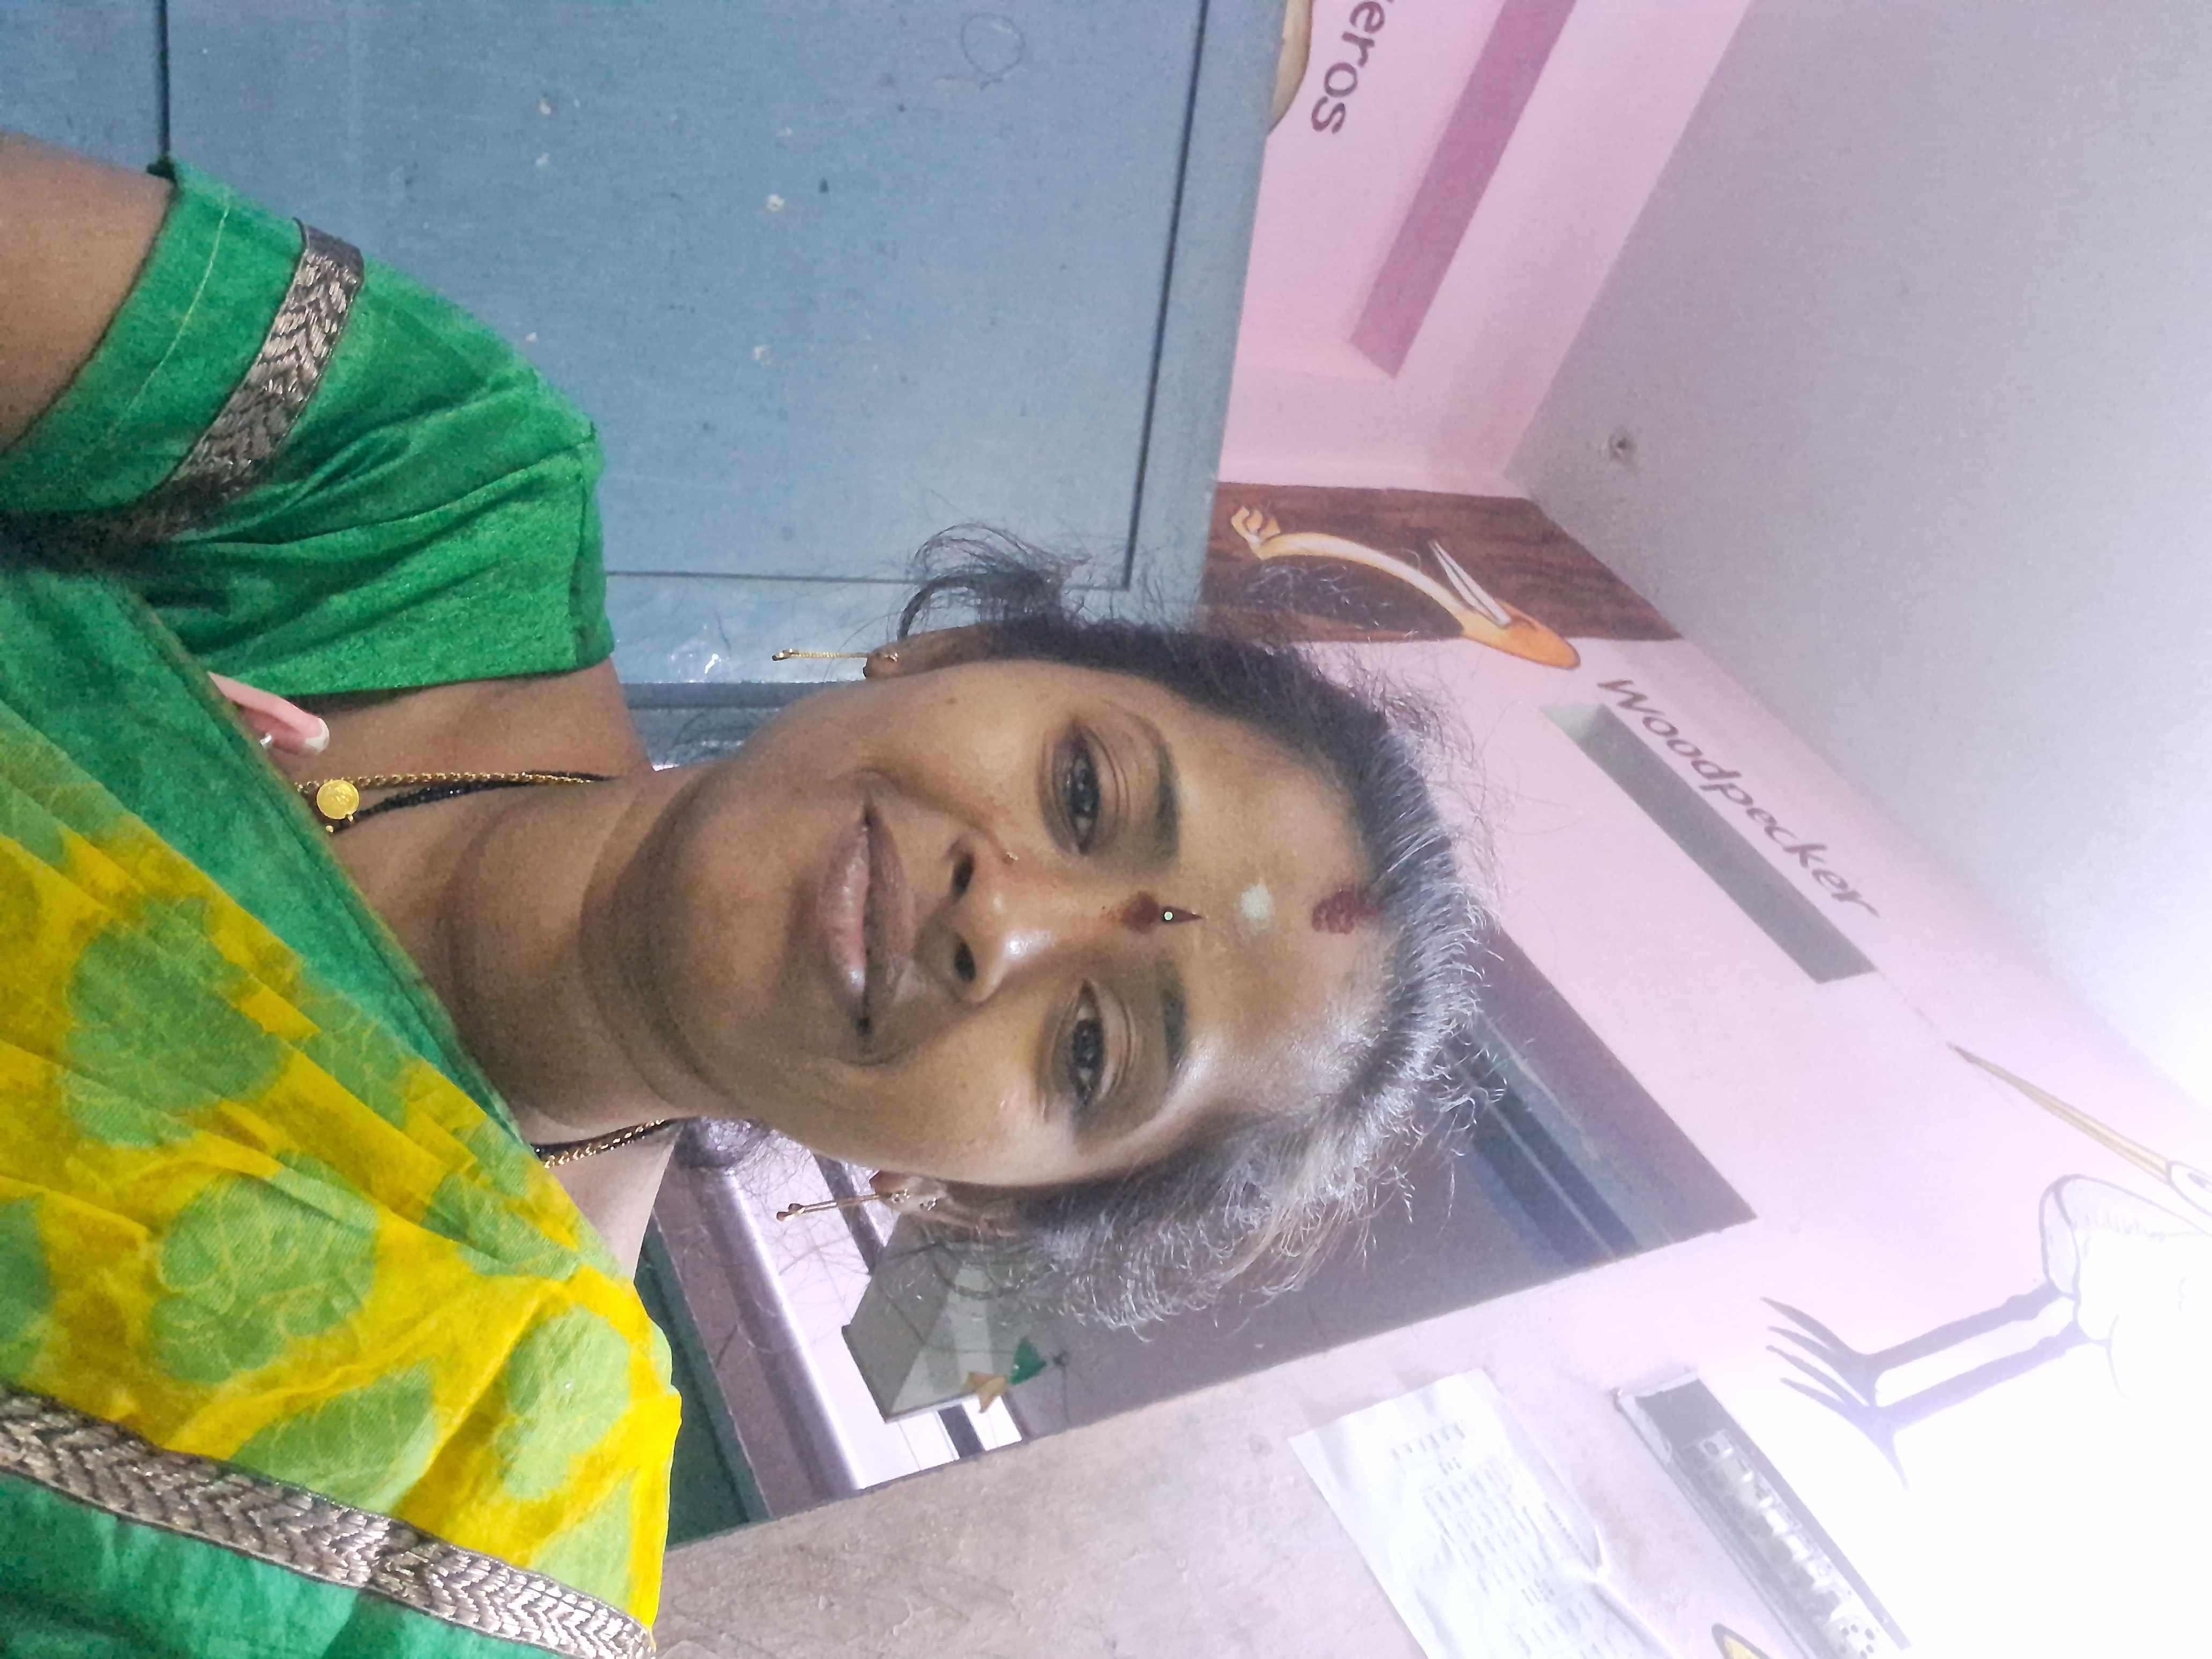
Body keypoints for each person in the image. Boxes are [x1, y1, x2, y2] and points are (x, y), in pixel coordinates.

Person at [0, 134, 1482, 1655]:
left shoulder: (467, 1503)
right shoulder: (429, 485)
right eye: (1085, 794)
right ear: (953, 656)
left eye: (1093, 1050)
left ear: (966, 1197)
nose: (1002, 926)